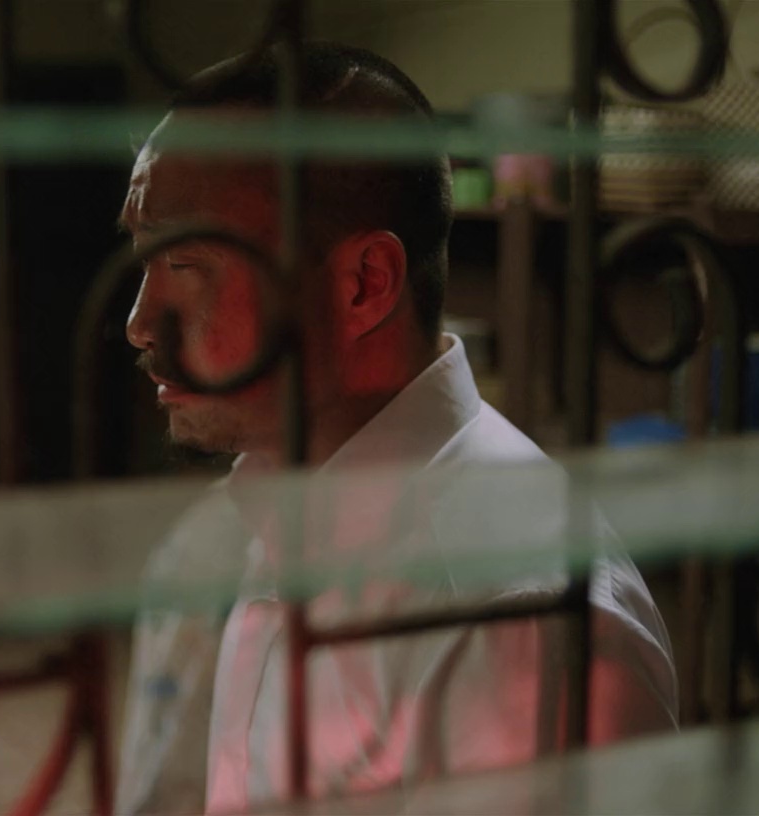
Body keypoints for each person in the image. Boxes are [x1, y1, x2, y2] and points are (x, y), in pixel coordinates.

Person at [112, 44, 677, 815]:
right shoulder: (284, 504)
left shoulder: (510, 621)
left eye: (184, 263)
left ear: (363, 286)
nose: (139, 323)